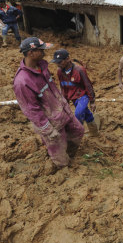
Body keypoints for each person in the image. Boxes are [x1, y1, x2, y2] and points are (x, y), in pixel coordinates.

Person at [13, 37, 85, 168]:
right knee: (60, 156)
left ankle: (69, 155)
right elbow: (31, 110)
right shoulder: (22, 82)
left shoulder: (42, 66)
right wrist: (48, 130)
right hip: (51, 122)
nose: (44, 52)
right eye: (41, 50)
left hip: (62, 112)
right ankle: (63, 169)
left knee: (78, 131)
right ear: (31, 53)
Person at [51, 49, 99, 137]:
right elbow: (63, 87)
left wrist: (92, 101)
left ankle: (77, 133)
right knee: (86, 113)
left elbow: (88, 85)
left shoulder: (79, 70)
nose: (58, 64)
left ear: (68, 59)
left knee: (78, 113)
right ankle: (94, 131)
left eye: (60, 62)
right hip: (71, 96)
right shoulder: (59, 71)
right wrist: (64, 100)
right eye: (56, 62)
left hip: (82, 96)